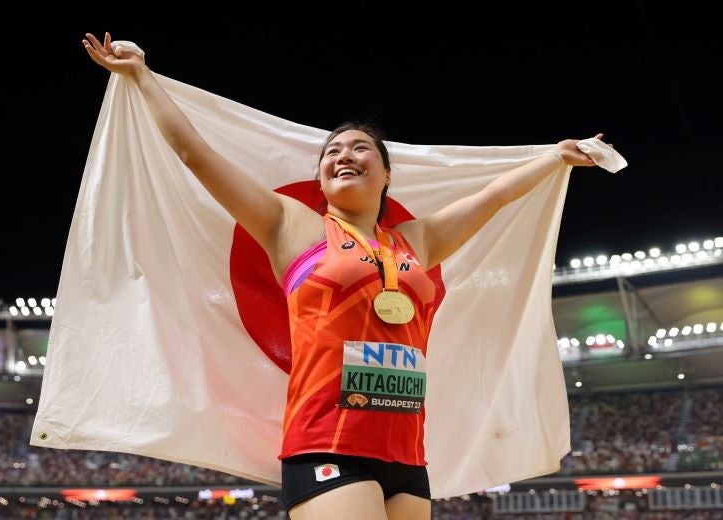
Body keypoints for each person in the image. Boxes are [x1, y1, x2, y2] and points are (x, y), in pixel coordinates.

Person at [83, 32, 610, 520]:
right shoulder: (290, 226)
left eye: (360, 148)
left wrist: (555, 159)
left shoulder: (417, 241)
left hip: (407, 453)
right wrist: (141, 76)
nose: (343, 155)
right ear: (320, 177)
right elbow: (194, 154)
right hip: (326, 446)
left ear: (386, 173)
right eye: (332, 152)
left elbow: (492, 197)